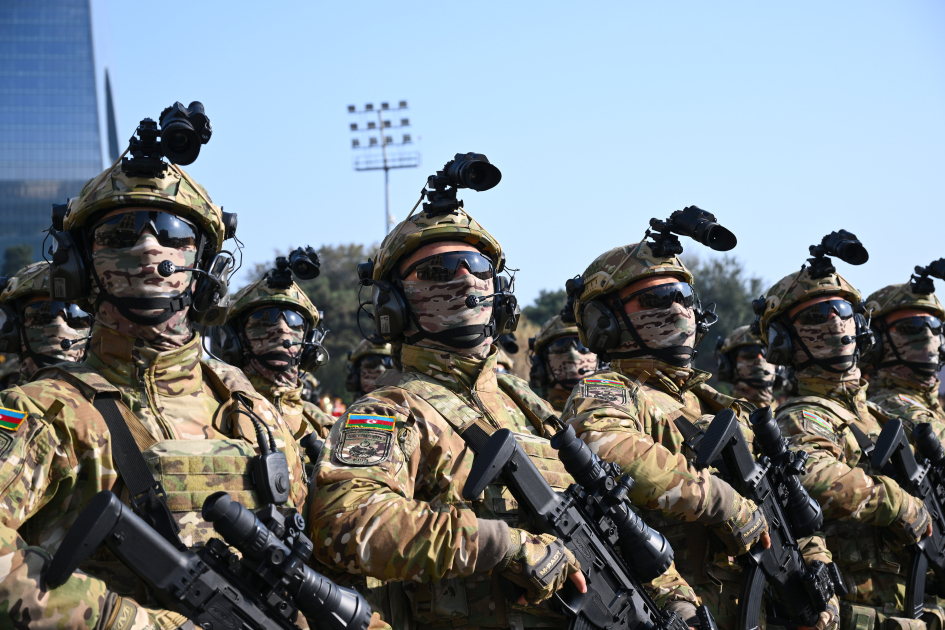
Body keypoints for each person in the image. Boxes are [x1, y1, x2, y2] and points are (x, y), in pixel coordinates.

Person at [0, 136, 311, 629]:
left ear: (205, 266)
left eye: (172, 234)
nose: (149, 250)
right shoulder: (43, 410)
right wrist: (130, 623)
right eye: (118, 235)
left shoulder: (250, 408)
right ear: (80, 266)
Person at [309, 188, 615, 630]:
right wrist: (503, 545)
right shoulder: (389, 408)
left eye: (481, 268)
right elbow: (343, 522)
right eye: (439, 270)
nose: (468, 280)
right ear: (391, 304)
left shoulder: (527, 405)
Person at [560, 239, 819, 628]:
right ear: (605, 322)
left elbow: (782, 502)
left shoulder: (717, 403)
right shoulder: (608, 390)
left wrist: (814, 567)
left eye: (683, 295)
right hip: (678, 608)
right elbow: (610, 447)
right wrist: (725, 502)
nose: (678, 308)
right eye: (659, 297)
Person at [756, 249, 934, 627]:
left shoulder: (874, 416)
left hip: (900, 606)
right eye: (816, 316)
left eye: (843, 310)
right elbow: (812, 477)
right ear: (784, 340)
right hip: (854, 608)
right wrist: (897, 502)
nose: (835, 322)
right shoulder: (804, 416)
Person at [218, 266, 335, 438]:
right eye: (264, 318)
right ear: (235, 338)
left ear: (310, 343)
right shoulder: (214, 412)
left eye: (294, 321)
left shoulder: (325, 428)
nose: (282, 329)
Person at [863, 273, 945, 440]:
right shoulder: (892, 412)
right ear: (876, 341)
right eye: (911, 326)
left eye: (935, 326)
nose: (928, 335)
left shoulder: (931, 407)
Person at [0, 261, 92, 384]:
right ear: (15, 328)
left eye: (76, 317)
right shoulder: (8, 402)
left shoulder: (114, 400)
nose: (59, 326)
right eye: (42, 315)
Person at [528, 307, 598, 411]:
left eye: (583, 346)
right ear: (542, 362)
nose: (573, 356)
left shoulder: (620, 412)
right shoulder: (529, 418)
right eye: (560, 347)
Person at [714, 324, 783, 409]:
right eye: (748, 351)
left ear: (779, 367)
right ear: (729, 364)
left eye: (767, 352)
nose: (759, 358)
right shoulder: (717, 417)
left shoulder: (792, 417)